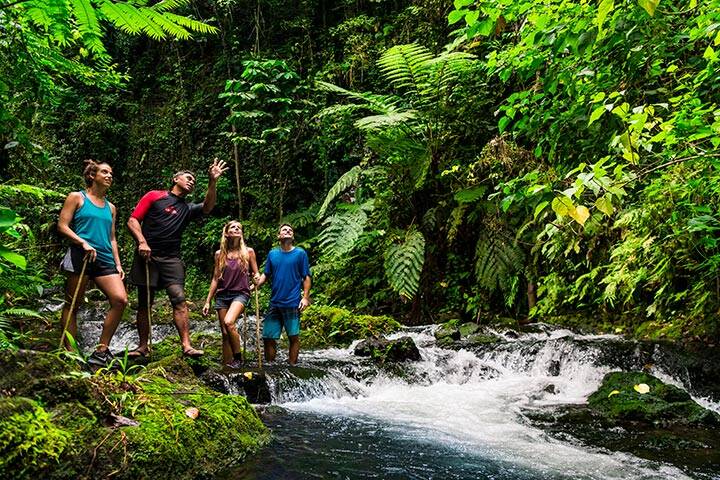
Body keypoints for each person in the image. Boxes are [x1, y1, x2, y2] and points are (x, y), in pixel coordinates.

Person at [127, 159, 228, 358]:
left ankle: (186, 345)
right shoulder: (155, 196)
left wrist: (212, 182)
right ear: (175, 179)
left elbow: (207, 207)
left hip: (171, 259)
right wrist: (141, 242)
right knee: (144, 302)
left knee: (179, 299)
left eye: (194, 181)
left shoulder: (187, 209)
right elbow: (133, 220)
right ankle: (142, 347)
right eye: (188, 178)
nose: (191, 182)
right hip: (147, 256)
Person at [57, 160, 128, 367]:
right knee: (73, 304)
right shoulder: (77, 198)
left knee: (120, 300)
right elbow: (62, 225)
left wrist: (118, 264)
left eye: (111, 173)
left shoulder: (111, 207)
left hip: (104, 257)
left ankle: (101, 350)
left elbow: (112, 237)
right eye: (104, 172)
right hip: (81, 254)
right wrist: (82, 242)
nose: (109, 176)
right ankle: (70, 352)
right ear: (92, 176)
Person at [202, 221, 259, 367]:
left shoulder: (248, 252)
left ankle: (238, 358)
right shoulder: (219, 254)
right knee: (225, 334)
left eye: (239, 228)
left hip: (240, 293)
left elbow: (256, 272)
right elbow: (215, 278)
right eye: (233, 227)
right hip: (222, 295)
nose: (237, 229)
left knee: (229, 322)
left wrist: (256, 278)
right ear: (226, 233)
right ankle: (227, 366)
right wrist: (208, 300)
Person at [255, 223, 311, 365]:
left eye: (290, 230)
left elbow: (306, 277)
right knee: (268, 336)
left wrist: (305, 297)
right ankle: (271, 367)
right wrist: (254, 285)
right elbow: (266, 274)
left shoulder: (300, 253)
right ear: (279, 236)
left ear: (293, 236)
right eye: (284, 230)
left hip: (292, 302)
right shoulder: (273, 254)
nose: (287, 231)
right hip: (275, 302)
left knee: (293, 336)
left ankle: (292, 366)